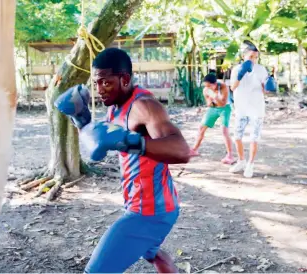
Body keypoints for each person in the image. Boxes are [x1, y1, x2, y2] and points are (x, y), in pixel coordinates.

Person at [54, 48, 190, 273]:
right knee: (153, 253)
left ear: (124, 79)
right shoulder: (115, 106)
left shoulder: (144, 106)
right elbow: (99, 143)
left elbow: (181, 150)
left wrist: (131, 142)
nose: (99, 90)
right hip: (151, 203)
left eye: (105, 83)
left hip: (149, 212)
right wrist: (82, 119)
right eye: (96, 83)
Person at [228, 42, 269, 178]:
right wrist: (241, 74)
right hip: (241, 108)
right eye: (251, 56)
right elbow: (233, 88)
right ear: (244, 56)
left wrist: (270, 86)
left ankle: (250, 165)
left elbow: (265, 90)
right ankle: (241, 161)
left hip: (257, 109)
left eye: (256, 57)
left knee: (254, 138)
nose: (253, 59)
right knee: (237, 137)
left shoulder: (261, 69)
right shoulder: (236, 69)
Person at [189, 73, 234, 164]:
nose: (207, 88)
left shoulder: (223, 86)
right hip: (213, 108)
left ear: (215, 84)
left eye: (209, 86)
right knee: (201, 128)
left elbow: (223, 104)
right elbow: (209, 104)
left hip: (225, 108)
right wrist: (211, 100)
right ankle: (194, 149)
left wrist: (215, 97)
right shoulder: (206, 90)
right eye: (206, 86)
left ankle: (230, 156)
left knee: (224, 130)